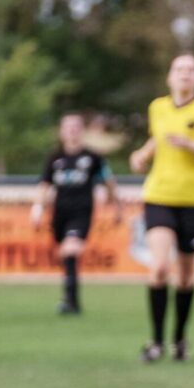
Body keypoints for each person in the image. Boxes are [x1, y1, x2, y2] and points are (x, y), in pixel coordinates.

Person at [128, 54, 194, 363]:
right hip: (159, 195)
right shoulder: (157, 107)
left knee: (185, 276)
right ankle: (156, 341)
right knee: (159, 267)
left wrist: (192, 145)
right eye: (179, 69)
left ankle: (179, 339)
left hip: (193, 200)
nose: (185, 74)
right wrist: (141, 155)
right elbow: (158, 140)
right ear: (169, 77)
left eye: (191, 70)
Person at [31, 113, 121, 315]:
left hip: (81, 212)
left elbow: (109, 182)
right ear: (61, 132)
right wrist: (37, 209)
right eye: (68, 127)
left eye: (76, 127)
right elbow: (44, 185)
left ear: (82, 131)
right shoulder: (54, 158)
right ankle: (70, 300)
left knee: (70, 250)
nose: (72, 130)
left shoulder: (93, 157)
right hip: (59, 213)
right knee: (65, 254)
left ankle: (71, 302)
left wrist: (117, 206)